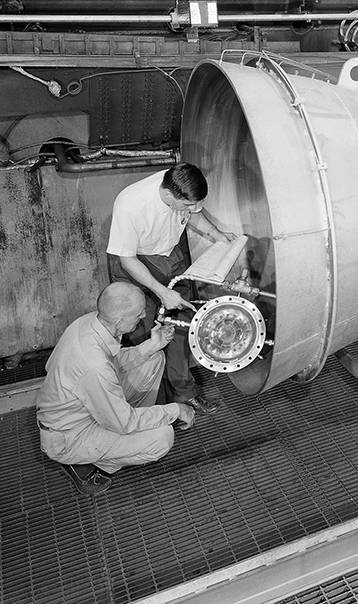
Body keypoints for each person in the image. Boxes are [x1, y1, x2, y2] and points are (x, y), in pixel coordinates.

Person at [36, 282, 197, 495]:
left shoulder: (89, 323)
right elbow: (124, 420)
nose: (142, 319)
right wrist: (177, 409)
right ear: (120, 321)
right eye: (139, 315)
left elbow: (114, 362)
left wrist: (151, 345)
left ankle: (122, 433)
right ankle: (86, 464)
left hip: (85, 408)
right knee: (162, 438)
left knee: (153, 359)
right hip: (69, 436)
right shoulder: (94, 367)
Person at [106, 162, 232, 413]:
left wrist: (217, 235)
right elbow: (127, 259)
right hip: (137, 265)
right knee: (144, 336)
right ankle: (150, 406)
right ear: (168, 195)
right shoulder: (131, 205)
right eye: (187, 205)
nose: (193, 210)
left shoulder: (178, 186)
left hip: (170, 256)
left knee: (181, 329)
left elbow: (194, 212)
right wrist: (162, 292)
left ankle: (185, 396)